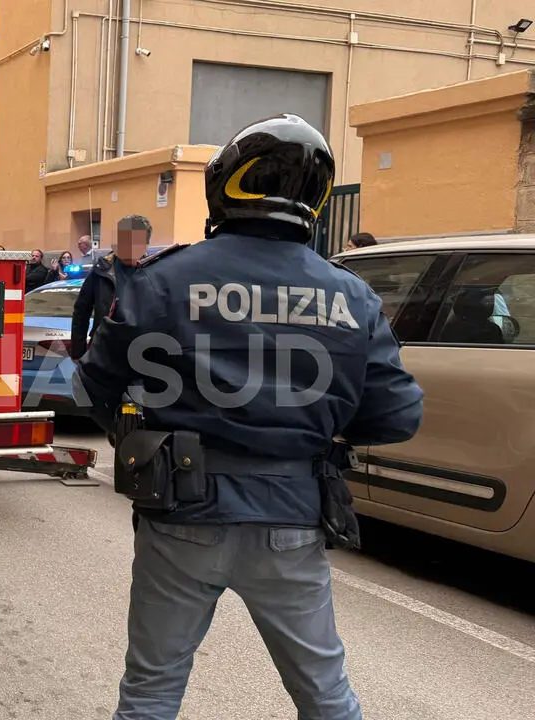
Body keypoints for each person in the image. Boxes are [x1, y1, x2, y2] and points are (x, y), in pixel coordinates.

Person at [75, 114, 424, 719]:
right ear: (312, 199)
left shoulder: (165, 280)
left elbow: (93, 385)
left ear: (226, 187)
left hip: (181, 512)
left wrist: (135, 427)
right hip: (291, 517)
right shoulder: (351, 295)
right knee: (326, 696)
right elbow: (398, 415)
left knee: (151, 691)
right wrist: (323, 427)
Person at [69, 215, 151, 362]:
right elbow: (81, 311)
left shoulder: (155, 270)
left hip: (142, 356)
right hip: (103, 352)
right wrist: (78, 352)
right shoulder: (101, 269)